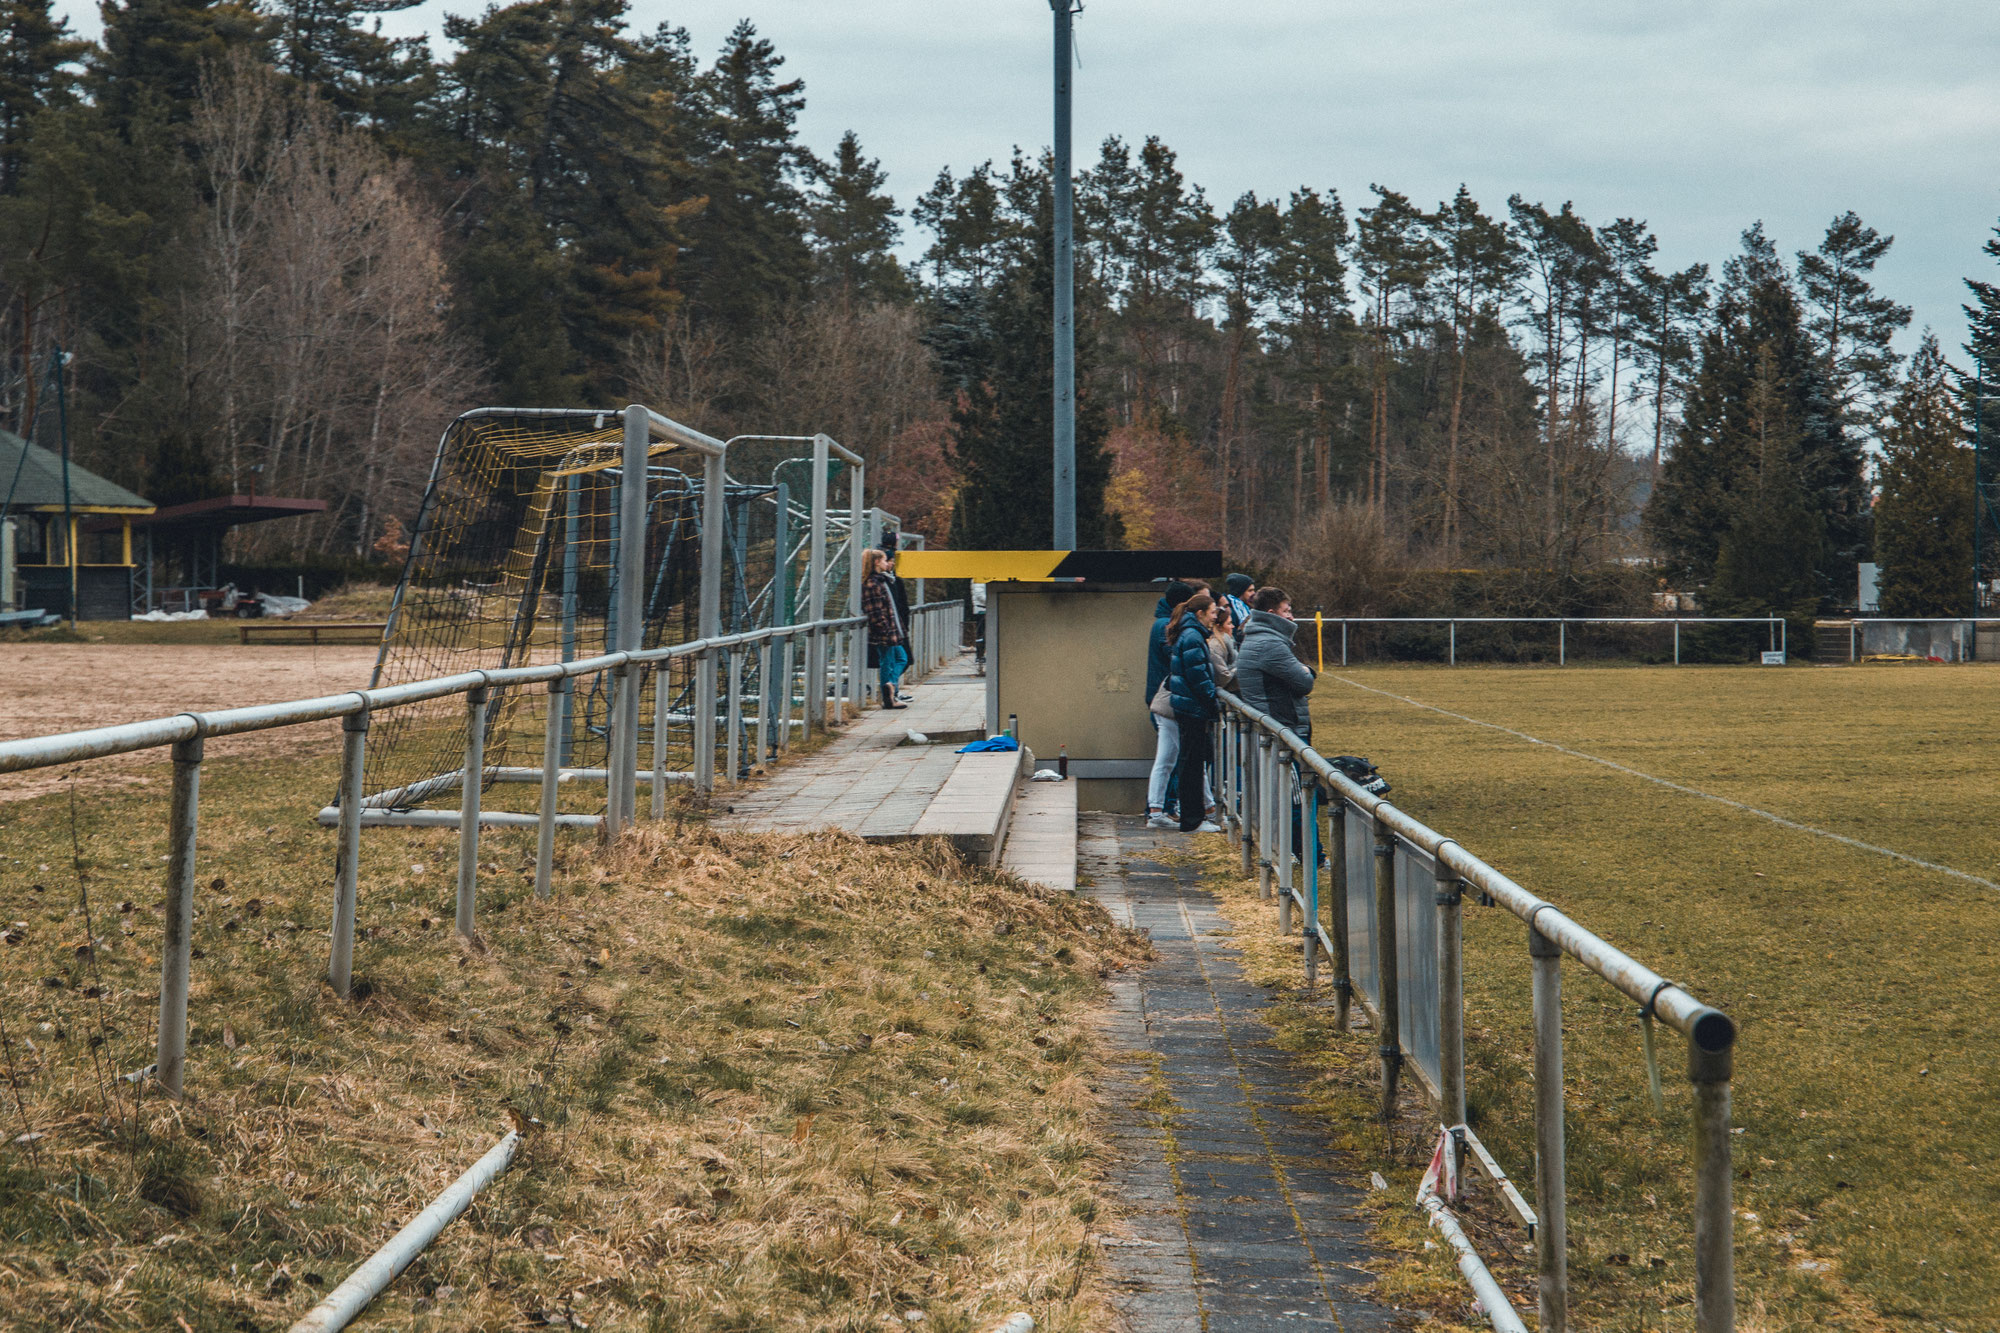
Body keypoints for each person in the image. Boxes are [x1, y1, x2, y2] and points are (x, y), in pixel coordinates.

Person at [1166, 592, 1223, 833]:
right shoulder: (1192, 637)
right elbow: (1198, 676)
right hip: (1192, 709)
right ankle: (1192, 819)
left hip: (1188, 707)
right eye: (1212, 612)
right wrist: (1213, 703)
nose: (1215, 618)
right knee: (1191, 764)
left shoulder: (1189, 633)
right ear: (1200, 614)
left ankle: (1193, 816)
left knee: (1191, 762)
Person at [1144, 581, 1196, 828]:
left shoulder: (1163, 623)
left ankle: (1161, 808)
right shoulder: (1166, 626)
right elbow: (1177, 656)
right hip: (1166, 699)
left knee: (1169, 756)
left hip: (1164, 696)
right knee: (1172, 757)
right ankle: (1164, 807)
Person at [1236, 585, 1315, 742]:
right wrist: (1308, 671)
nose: (1291, 617)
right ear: (1271, 614)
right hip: (1281, 729)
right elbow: (1304, 683)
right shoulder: (1270, 644)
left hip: (1272, 725)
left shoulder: (1255, 638)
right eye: (1286, 611)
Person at [861, 548, 909, 708]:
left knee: (900, 658)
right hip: (885, 632)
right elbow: (876, 611)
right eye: (883, 560)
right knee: (887, 661)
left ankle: (890, 687)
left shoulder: (881, 581)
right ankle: (889, 694)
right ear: (876, 562)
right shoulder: (872, 583)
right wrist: (886, 629)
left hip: (891, 629)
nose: (886, 562)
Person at [1223, 574, 1255, 643]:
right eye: (1250, 591)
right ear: (1240, 592)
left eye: (1253, 590)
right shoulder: (1230, 612)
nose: (1253, 593)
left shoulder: (1247, 608)